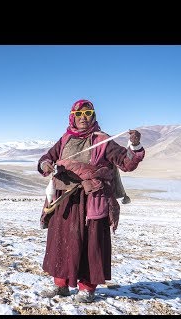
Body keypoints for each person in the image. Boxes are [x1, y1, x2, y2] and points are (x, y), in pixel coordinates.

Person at [37, 99, 145, 303]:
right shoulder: (65, 139)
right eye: (79, 114)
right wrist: (46, 164)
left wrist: (135, 145)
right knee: (61, 242)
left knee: (90, 244)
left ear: (94, 115)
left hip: (92, 200)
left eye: (88, 113)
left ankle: (87, 289)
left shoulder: (103, 140)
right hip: (65, 200)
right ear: (72, 117)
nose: (83, 118)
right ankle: (60, 287)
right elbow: (47, 158)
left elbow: (126, 162)